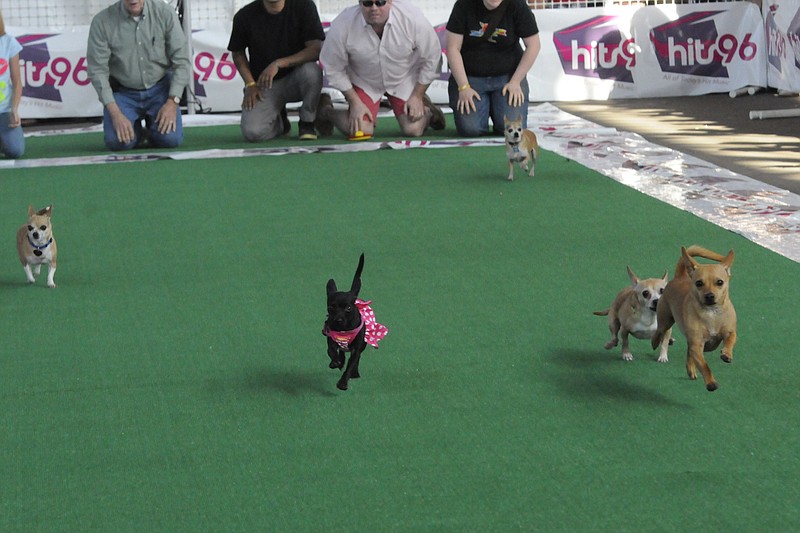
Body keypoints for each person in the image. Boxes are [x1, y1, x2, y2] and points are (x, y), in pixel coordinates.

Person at [318, 0, 445, 138]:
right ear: (360, 3)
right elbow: (332, 67)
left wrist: (417, 95)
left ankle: (428, 112)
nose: (374, 8)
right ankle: (325, 111)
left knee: (413, 129)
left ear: (390, 2)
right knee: (360, 131)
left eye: (380, 2)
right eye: (367, 3)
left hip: (403, 79)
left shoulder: (412, 18)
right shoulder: (343, 24)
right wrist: (354, 102)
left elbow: (433, 57)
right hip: (365, 82)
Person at [87, 0, 191, 151]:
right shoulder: (102, 21)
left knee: (170, 140)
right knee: (118, 142)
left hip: (160, 88)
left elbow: (181, 60)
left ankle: (152, 128)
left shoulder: (165, 13)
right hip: (123, 92)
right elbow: (97, 71)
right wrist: (115, 113)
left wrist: (172, 102)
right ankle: (138, 132)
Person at [228, 0, 325, 142]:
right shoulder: (244, 16)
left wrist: (279, 63)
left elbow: (315, 49)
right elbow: (237, 53)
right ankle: (281, 123)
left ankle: (307, 121)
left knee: (312, 71)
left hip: (298, 78)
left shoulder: (304, 5)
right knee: (253, 133)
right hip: (265, 83)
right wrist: (250, 84)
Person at [445, 0, 540, 137]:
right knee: (471, 130)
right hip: (470, 78)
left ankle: (497, 110)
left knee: (511, 129)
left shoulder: (517, 5)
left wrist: (515, 81)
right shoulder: (463, 5)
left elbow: (534, 45)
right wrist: (463, 87)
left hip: (507, 78)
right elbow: (453, 48)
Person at [0, 9, 24, 159]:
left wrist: (14, 109)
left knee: (16, 151)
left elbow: (17, 82)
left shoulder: (8, 42)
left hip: (4, 109)